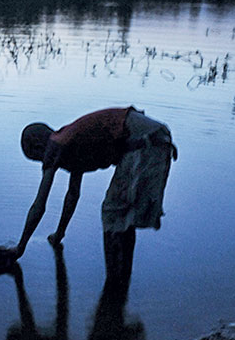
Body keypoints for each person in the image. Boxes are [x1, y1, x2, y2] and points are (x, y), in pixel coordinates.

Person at [14, 107, 177, 261]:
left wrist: (19, 249)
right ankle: (119, 283)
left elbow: (39, 206)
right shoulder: (71, 143)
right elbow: (73, 195)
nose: (45, 163)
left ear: (38, 147)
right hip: (153, 136)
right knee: (121, 214)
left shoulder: (56, 145)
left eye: (38, 158)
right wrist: (59, 234)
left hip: (145, 140)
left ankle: (114, 284)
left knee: (114, 213)